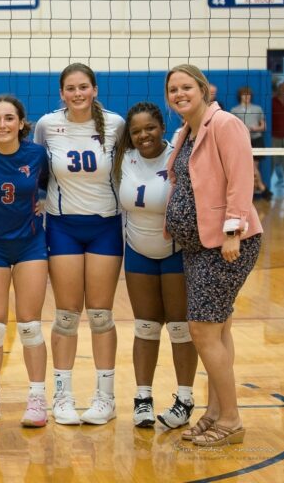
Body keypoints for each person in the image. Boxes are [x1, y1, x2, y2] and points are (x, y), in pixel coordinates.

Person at [164, 64, 262, 447]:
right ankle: (216, 411)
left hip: (224, 244)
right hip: (197, 245)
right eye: (173, 89)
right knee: (218, 330)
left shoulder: (225, 124)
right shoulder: (187, 130)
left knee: (203, 330)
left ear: (203, 89)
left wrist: (233, 231)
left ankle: (233, 422)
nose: (179, 94)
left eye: (186, 86)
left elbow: (240, 180)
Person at [34, 62, 125, 425]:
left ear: (94, 89)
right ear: (62, 93)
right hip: (62, 227)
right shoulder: (47, 125)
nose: (77, 94)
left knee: (101, 315)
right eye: (70, 88)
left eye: (83, 87)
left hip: (105, 226)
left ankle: (105, 398)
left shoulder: (116, 125)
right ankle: (63, 395)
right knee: (67, 315)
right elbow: (35, 167)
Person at [113, 102, 198, 429]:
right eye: (136, 131)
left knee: (180, 327)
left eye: (149, 127)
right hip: (138, 250)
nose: (143, 135)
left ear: (162, 127)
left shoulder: (179, 152)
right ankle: (142, 399)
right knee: (145, 326)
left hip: (176, 250)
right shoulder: (123, 158)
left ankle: (185, 399)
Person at [0, 96, 49, 427]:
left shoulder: (37, 154)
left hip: (30, 243)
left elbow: (55, 186)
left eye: (8, 118)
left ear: (21, 123)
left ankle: (38, 399)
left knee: (30, 324)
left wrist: (48, 205)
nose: (2, 125)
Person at [230, 86, 271, 199]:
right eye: (244, 94)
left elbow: (263, 127)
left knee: (253, 167)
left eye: (248, 94)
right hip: (243, 140)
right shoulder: (235, 110)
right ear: (240, 96)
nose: (247, 97)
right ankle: (262, 188)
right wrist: (243, 129)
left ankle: (253, 192)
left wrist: (255, 128)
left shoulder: (257, 109)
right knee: (249, 167)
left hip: (256, 139)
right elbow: (232, 127)